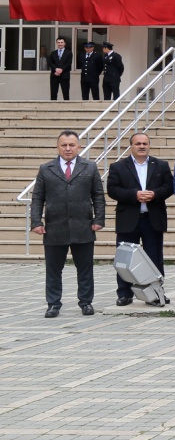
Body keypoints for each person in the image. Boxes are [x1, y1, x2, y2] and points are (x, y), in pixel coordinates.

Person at [29, 131, 105, 318]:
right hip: (55, 227)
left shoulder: (90, 167)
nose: (68, 148)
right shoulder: (46, 168)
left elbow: (98, 195)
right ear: (58, 147)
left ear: (79, 147)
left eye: (72, 145)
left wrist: (98, 219)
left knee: (85, 267)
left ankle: (86, 302)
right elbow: (38, 197)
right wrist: (36, 221)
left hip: (83, 226)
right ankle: (53, 304)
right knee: (53, 269)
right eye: (64, 145)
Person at [107, 133, 174, 307]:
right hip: (128, 219)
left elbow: (169, 187)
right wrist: (134, 195)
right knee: (125, 258)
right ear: (131, 146)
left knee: (154, 258)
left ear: (149, 145)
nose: (142, 146)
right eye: (138, 143)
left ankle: (156, 294)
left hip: (153, 219)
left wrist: (155, 194)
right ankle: (124, 293)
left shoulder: (161, 165)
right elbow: (112, 190)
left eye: (145, 143)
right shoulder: (118, 167)